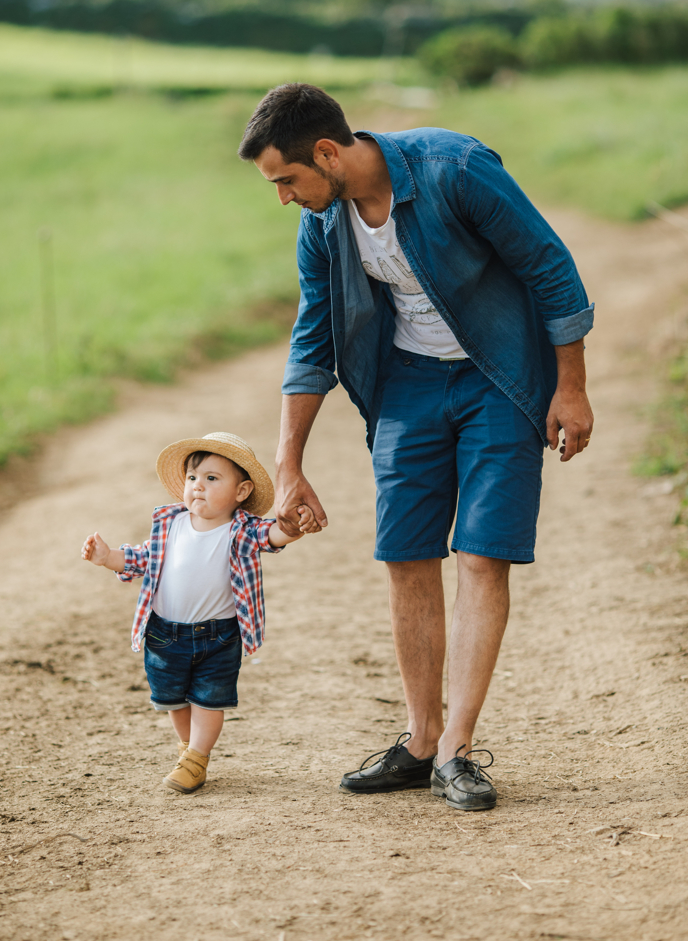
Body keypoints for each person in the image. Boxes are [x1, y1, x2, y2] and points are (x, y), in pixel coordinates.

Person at [238, 84, 594, 812]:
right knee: (405, 555)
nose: (282, 197)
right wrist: (288, 464)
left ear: (328, 153)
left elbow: (550, 266)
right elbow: (313, 342)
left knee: (483, 553)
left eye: (286, 180)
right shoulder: (323, 227)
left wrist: (572, 388)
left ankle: (459, 751)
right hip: (407, 387)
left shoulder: (453, 169)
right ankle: (421, 740)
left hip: (500, 376)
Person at [81, 432, 316, 794]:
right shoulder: (170, 523)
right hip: (163, 634)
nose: (198, 487)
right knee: (173, 698)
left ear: (241, 492)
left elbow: (274, 536)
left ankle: (197, 757)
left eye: (211, 478)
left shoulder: (242, 529)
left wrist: (294, 526)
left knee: (208, 697)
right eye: (192, 478)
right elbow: (141, 558)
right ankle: (188, 749)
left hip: (218, 635)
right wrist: (106, 556)